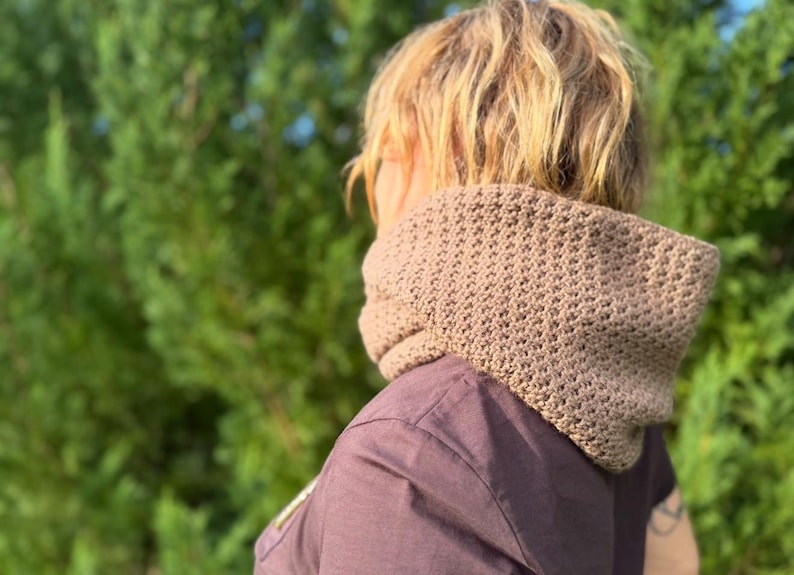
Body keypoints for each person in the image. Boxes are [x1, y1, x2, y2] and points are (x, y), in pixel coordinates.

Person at [254, 0, 719, 573]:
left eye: (386, 152)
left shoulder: (411, 454)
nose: (371, 185)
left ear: (446, 150)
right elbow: (679, 563)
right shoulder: (618, 414)